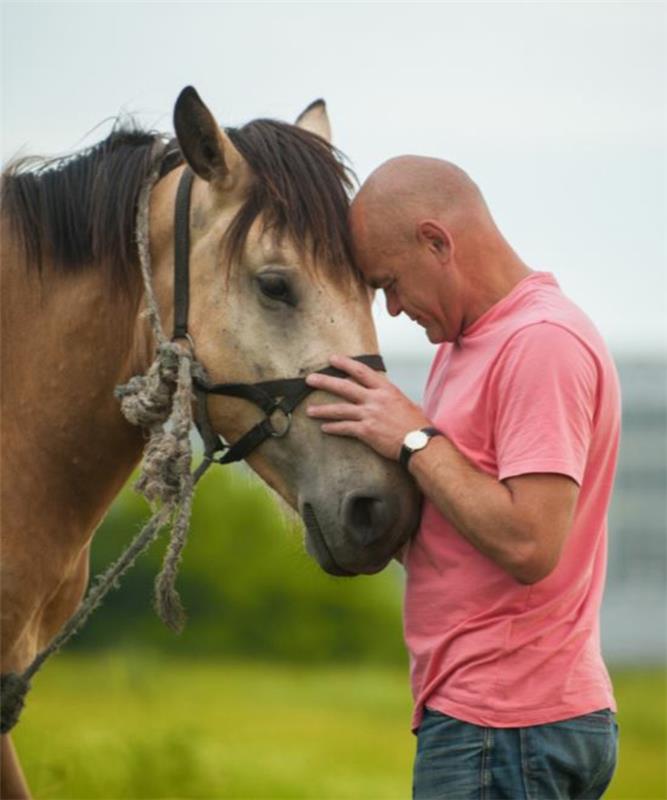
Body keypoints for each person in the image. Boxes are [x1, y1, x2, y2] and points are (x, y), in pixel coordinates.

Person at [305, 156, 621, 800]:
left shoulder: (540, 343)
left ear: (436, 241)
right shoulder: (464, 346)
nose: (392, 310)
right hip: (493, 721)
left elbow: (530, 545)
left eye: (390, 283)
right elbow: (462, 526)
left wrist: (415, 438)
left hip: (507, 727)